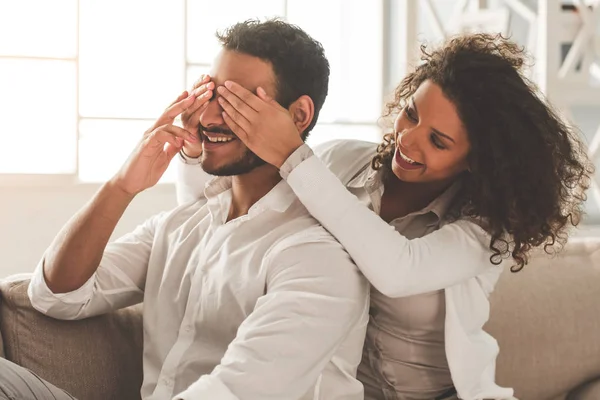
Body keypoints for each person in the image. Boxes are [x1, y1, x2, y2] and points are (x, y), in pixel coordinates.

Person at [176, 33, 594, 400]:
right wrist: (195, 149)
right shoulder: (339, 163)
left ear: (476, 160)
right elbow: (215, 216)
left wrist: (291, 154)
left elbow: (398, 269)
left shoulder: (484, 231)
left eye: (439, 141)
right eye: (411, 113)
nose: (407, 140)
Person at [0, 20, 370, 400]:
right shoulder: (185, 225)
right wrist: (122, 186)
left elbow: (240, 391)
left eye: (234, 101)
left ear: (298, 116)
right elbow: (54, 296)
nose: (208, 117)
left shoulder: (318, 255)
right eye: (209, 93)